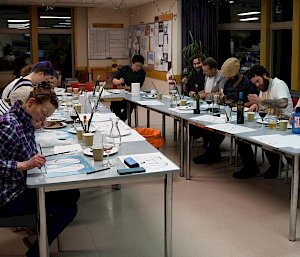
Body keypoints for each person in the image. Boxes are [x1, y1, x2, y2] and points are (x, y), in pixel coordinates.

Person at [0, 86, 80, 257]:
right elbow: (19, 161)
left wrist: (35, 127)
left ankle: (41, 232)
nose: (44, 120)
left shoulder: (24, 120)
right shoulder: (9, 125)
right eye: (43, 114)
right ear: (30, 103)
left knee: (72, 193)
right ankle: (37, 250)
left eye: (47, 116)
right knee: (68, 208)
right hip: (8, 195)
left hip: (19, 184)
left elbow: (23, 149)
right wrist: (22, 165)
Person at [193, 57, 258, 164]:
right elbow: (225, 95)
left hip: (244, 114)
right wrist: (222, 99)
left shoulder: (247, 83)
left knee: (238, 137)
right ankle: (212, 154)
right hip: (228, 112)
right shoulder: (228, 82)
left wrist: (239, 105)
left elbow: (254, 101)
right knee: (208, 128)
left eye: (232, 76)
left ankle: (250, 165)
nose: (230, 78)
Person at [233, 65, 293, 179]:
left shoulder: (278, 84)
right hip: (270, 123)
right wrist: (256, 105)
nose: (257, 85)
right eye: (254, 83)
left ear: (265, 75)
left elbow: (283, 103)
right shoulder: (263, 89)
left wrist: (259, 101)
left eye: (258, 81)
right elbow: (264, 104)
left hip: (284, 124)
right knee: (240, 136)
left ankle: (276, 165)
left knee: (263, 135)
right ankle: (251, 168)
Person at [110, 54, 146, 121]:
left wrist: (123, 87)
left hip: (132, 96)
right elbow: (114, 80)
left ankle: (120, 121)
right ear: (132, 63)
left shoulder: (142, 73)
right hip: (120, 95)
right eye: (136, 65)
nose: (138, 68)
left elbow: (137, 87)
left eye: (140, 66)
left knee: (130, 106)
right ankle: (117, 121)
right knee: (115, 103)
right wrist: (119, 81)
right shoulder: (124, 69)